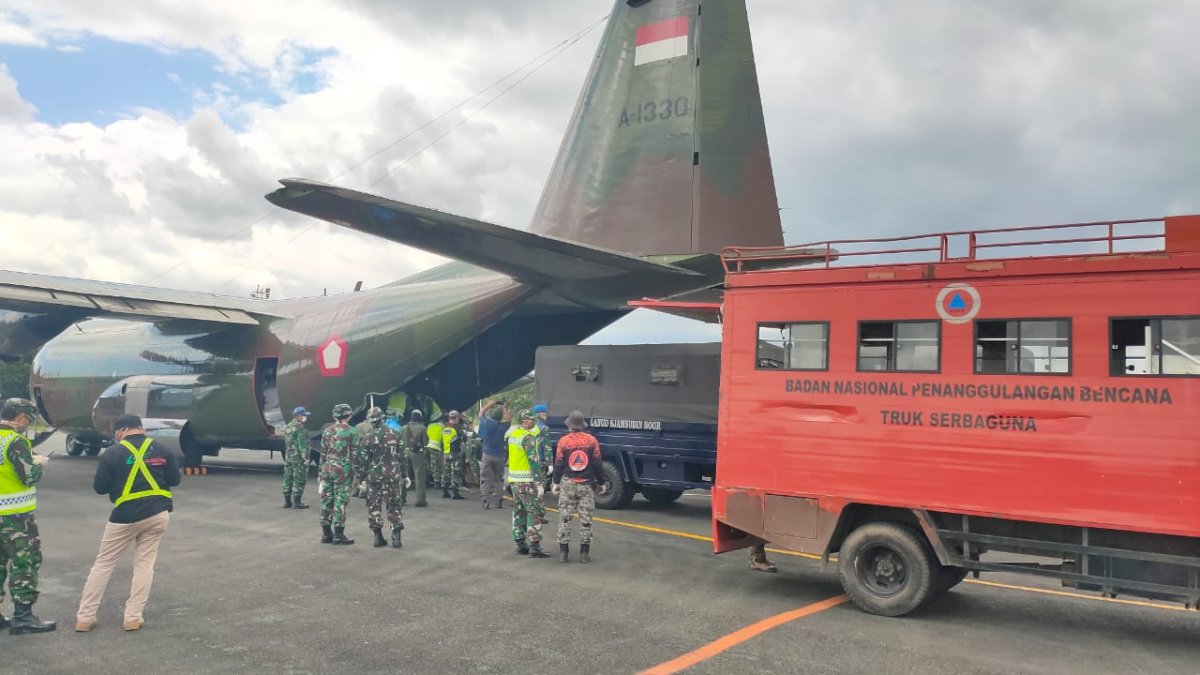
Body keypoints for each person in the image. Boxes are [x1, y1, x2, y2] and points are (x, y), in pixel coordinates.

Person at [75, 414, 181, 633]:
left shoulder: (112, 453)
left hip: (124, 517)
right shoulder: (162, 448)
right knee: (144, 565)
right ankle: (133, 617)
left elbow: (100, 488)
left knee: (103, 564)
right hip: (157, 513)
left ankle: (85, 618)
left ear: (120, 431)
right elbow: (174, 480)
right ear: (141, 428)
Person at [0, 398, 55, 635]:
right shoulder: (15, 441)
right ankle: (23, 616)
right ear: (20, 417)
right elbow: (28, 476)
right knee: (25, 563)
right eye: (28, 420)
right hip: (15, 517)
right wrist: (39, 464)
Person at [551, 410, 605, 563]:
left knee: (565, 518)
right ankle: (584, 554)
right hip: (586, 485)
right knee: (586, 520)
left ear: (569, 426)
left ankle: (563, 553)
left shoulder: (563, 441)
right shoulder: (592, 441)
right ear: (582, 426)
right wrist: (601, 483)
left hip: (568, 483)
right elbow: (597, 463)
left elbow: (559, 464)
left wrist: (556, 482)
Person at [355, 407, 411, 549]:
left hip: (374, 478)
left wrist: (361, 479)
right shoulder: (395, 434)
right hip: (392, 477)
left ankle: (378, 537)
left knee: (374, 506)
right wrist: (405, 475)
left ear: (371, 421)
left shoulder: (367, 437)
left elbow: (363, 461)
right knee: (394, 506)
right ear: (383, 418)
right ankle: (396, 538)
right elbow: (403, 457)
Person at [505, 410, 548, 558]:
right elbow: (533, 462)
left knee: (518, 510)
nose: (534, 422)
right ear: (524, 421)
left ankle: (520, 543)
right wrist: (539, 483)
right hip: (526, 481)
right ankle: (535, 545)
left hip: (514, 481)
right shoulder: (528, 438)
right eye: (531, 420)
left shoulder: (513, 436)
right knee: (533, 511)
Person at [319, 403, 357, 545]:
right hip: (342, 470)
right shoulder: (352, 432)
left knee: (326, 500)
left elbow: (323, 454)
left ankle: (326, 533)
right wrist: (359, 474)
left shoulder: (327, 431)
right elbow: (355, 456)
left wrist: (320, 473)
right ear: (348, 416)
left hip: (327, 468)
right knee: (340, 501)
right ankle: (339, 534)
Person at [476, 400, 509, 510]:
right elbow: (509, 419)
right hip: (500, 455)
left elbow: (481, 413)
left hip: (487, 454)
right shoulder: (503, 426)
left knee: (485, 478)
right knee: (499, 478)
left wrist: (489, 405)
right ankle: (499, 501)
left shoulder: (486, 423)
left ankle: (486, 500)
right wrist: (505, 408)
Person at [281, 406, 311, 509]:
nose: (305, 417)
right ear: (298, 416)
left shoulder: (288, 426)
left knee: (288, 478)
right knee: (299, 478)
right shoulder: (300, 427)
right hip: (298, 457)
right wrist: (306, 458)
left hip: (289, 456)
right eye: (304, 415)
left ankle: (287, 501)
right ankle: (297, 502)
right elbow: (302, 444)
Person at [401, 410, 429, 507]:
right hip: (417, 454)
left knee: (404, 476)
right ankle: (420, 500)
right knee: (419, 476)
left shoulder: (404, 428)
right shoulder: (422, 428)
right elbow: (426, 443)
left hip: (405, 452)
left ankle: (401, 499)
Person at [440, 411, 466, 500]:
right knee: (456, 472)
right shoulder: (457, 429)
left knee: (446, 472)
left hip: (446, 452)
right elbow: (464, 438)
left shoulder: (444, 428)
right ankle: (455, 493)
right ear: (456, 418)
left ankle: (445, 491)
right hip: (455, 453)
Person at [425, 418, 444, 488]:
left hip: (426, 445)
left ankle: (427, 480)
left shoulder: (430, 425)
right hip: (435, 447)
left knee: (427, 464)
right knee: (435, 465)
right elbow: (443, 439)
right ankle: (436, 482)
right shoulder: (442, 427)